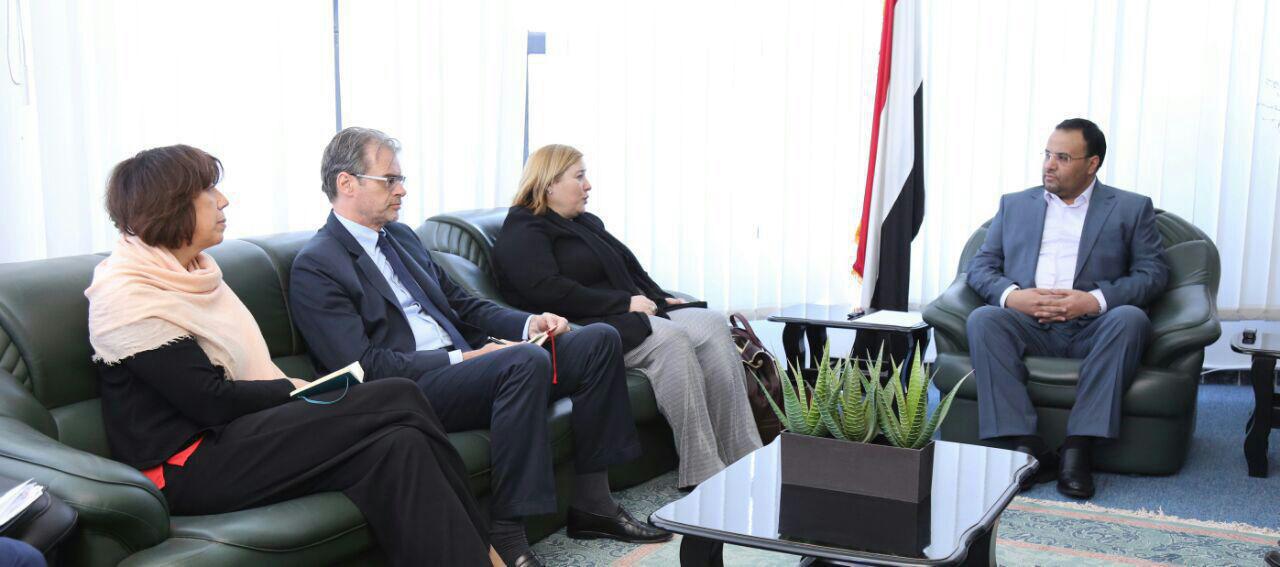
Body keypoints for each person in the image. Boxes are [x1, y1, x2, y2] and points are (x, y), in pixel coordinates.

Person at [86, 145, 499, 566]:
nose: (223, 201)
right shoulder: (127, 294)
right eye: (209, 191)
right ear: (171, 205)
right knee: (397, 394)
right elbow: (210, 401)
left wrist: (297, 393)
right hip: (186, 466)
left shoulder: (195, 273)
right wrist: (294, 390)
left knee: (400, 444)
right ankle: (493, 555)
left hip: (235, 435)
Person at [289, 128, 671, 567]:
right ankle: (507, 534)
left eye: (400, 179)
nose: (402, 189)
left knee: (597, 340)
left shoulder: (403, 238)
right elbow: (364, 366)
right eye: (389, 180)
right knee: (522, 362)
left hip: (467, 369)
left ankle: (594, 505)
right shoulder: (318, 265)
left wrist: (530, 322)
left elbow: (463, 304)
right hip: (410, 389)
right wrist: (466, 358)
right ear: (347, 183)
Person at [492, 144, 763, 489]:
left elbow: (627, 267)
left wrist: (658, 296)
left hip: (624, 314)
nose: (588, 185)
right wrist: (623, 302)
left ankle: (744, 455)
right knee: (671, 340)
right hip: (584, 328)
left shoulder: (584, 223)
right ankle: (702, 469)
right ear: (549, 184)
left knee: (711, 323)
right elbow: (546, 290)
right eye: (579, 176)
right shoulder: (523, 231)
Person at [965, 118, 1168, 499]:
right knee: (983, 320)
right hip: (1028, 323)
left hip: (1094, 326)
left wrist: (1094, 300)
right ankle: (1026, 445)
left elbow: (1153, 274)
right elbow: (980, 266)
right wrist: (1013, 296)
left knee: (1130, 319)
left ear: (1092, 164)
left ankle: (1078, 448)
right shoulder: (1014, 205)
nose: (1049, 165)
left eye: (1062, 157)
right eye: (1047, 154)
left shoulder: (1131, 208)